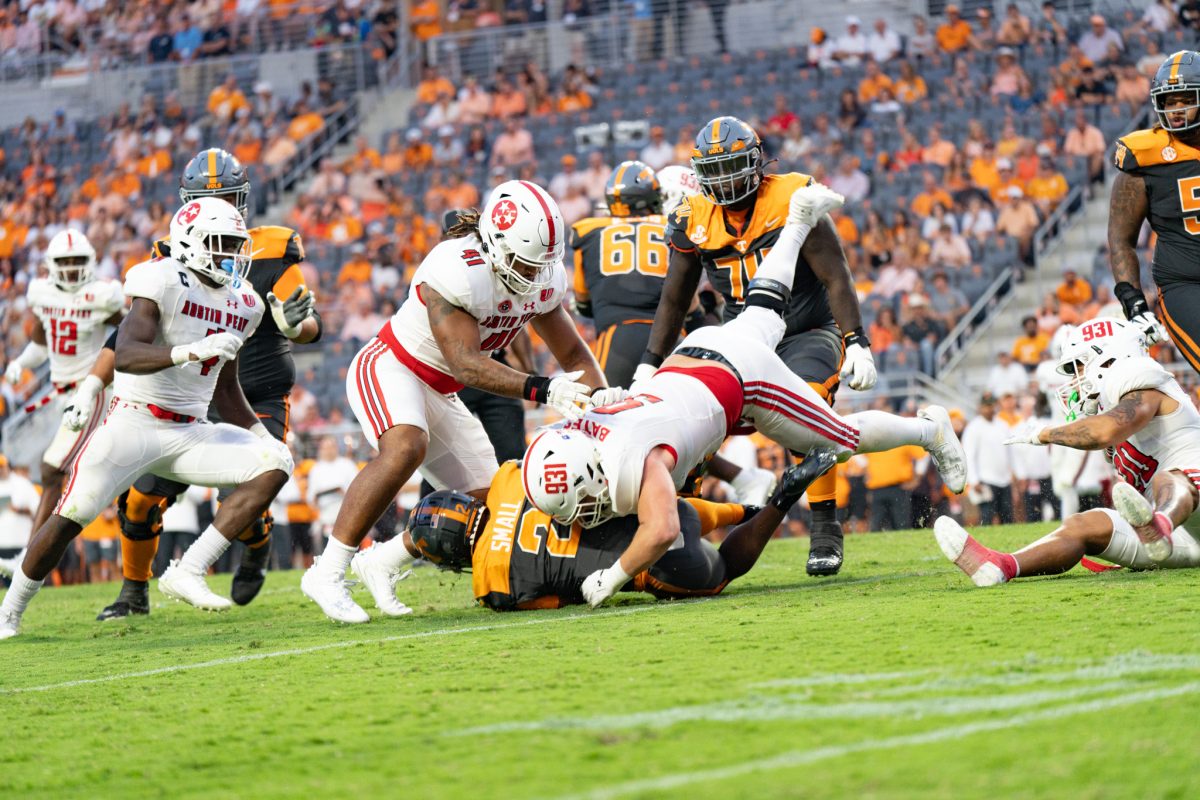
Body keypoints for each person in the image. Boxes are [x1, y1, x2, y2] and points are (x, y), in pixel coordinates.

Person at [522, 183, 968, 608]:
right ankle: (796, 224)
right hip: (695, 357)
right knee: (762, 306)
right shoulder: (586, 432)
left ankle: (930, 429)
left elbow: (660, 530)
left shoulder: (635, 461)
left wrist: (612, 576)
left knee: (837, 441)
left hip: (743, 379)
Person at [300, 181, 608, 624]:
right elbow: (465, 365)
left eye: (543, 264)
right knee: (406, 445)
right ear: (497, 243)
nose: (535, 275)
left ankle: (382, 561)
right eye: (525, 261)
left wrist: (602, 407)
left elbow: (575, 355)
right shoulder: (456, 267)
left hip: (440, 390)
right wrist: (546, 388)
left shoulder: (539, 277)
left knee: (497, 508)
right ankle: (327, 571)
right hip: (392, 366)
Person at [0, 198, 295, 639]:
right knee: (70, 516)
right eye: (222, 245)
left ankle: (189, 569)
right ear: (191, 244)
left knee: (277, 462)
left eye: (236, 245)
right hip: (132, 424)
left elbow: (227, 389)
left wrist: (258, 433)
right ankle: (10, 611)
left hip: (191, 430)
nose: (232, 257)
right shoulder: (159, 278)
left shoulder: (244, 302)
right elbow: (127, 354)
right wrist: (187, 352)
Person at [635, 116, 881, 577]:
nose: (726, 180)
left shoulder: (792, 195)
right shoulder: (692, 216)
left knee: (810, 404)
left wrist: (857, 341)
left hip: (806, 329)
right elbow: (675, 296)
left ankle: (825, 523)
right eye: (716, 170)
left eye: (733, 167)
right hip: (742, 336)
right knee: (690, 414)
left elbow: (835, 274)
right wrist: (649, 365)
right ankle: (683, 518)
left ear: (756, 163)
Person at [98, 148, 321, 620]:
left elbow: (308, 323)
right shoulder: (165, 258)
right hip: (187, 396)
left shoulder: (269, 249)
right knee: (139, 499)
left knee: (240, 498)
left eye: (226, 198)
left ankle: (255, 545)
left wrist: (291, 325)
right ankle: (133, 592)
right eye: (203, 199)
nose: (219, 211)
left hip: (254, 391)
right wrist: (91, 382)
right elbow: (130, 333)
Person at [936, 317, 1200, 586]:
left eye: (1080, 365)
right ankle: (1001, 565)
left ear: (1108, 357)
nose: (1076, 378)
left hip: (1178, 512)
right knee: (1082, 525)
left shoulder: (1142, 381)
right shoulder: (1112, 400)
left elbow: (1104, 432)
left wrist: (1046, 434)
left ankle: (1161, 525)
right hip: (1174, 538)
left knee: (1168, 478)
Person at [569, 162, 776, 504]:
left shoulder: (589, 229)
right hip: (669, 340)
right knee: (678, 428)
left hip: (618, 339)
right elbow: (688, 300)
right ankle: (731, 483)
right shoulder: (674, 226)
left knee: (604, 430)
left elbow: (583, 304)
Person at [401, 456, 832, 610]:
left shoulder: (489, 584)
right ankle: (746, 509)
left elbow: (559, 598)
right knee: (679, 513)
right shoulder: (508, 479)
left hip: (655, 565)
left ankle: (781, 501)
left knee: (723, 572)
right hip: (656, 509)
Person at [3, 229, 124, 542]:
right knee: (77, 469)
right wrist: (19, 363)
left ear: (91, 262)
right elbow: (42, 347)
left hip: (91, 391)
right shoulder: (43, 295)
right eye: (64, 261)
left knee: (52, 469)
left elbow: (128, 334)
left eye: (77, 260)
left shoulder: (102, 295)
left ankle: (32, 555)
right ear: (50, 264)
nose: (71, 267)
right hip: (61, 394)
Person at [1111, 51, 1200, 376]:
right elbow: (1121, 240)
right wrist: (1132, 300)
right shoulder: (1145, 157)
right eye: (1169, 101)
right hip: (1187, 284)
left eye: (1184, 100)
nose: (1176, 110)